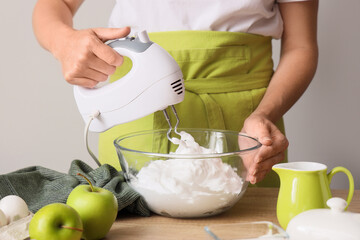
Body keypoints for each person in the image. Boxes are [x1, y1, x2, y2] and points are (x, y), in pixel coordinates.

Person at [32, 0, 318, 187]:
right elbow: (53, 5)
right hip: (136, 110)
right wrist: (63, 41)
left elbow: (301, 46)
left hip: (246, 127)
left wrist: (265, 114)